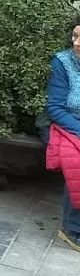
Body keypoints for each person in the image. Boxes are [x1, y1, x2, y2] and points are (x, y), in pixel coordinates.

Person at [46, 17, 80, 251]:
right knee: (76, 162)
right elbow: (55, 108)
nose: (77, 42)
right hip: (68, 123)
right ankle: (72, 229)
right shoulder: (63, 62)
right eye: (75, 35)